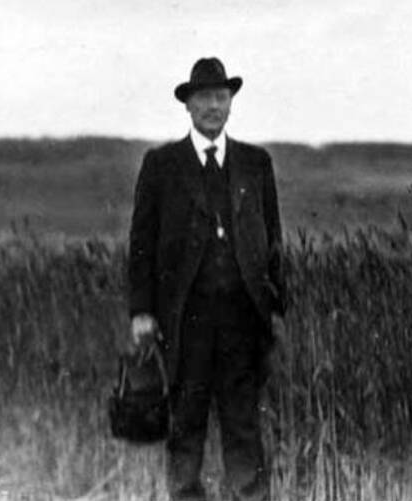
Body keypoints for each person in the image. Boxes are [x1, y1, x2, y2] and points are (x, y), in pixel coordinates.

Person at [127, 57, 287, 501]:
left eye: (221, 97)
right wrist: (141, 311)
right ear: (189, 106)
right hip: (185, 322)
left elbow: (274, 242)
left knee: (243, 425)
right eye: (204, 98)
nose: (214, 106)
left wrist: (276, 309)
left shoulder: (256, 164)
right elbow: (140, 243)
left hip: (242, 320)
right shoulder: (162, 165)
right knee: (186, 424)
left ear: (231, 103)